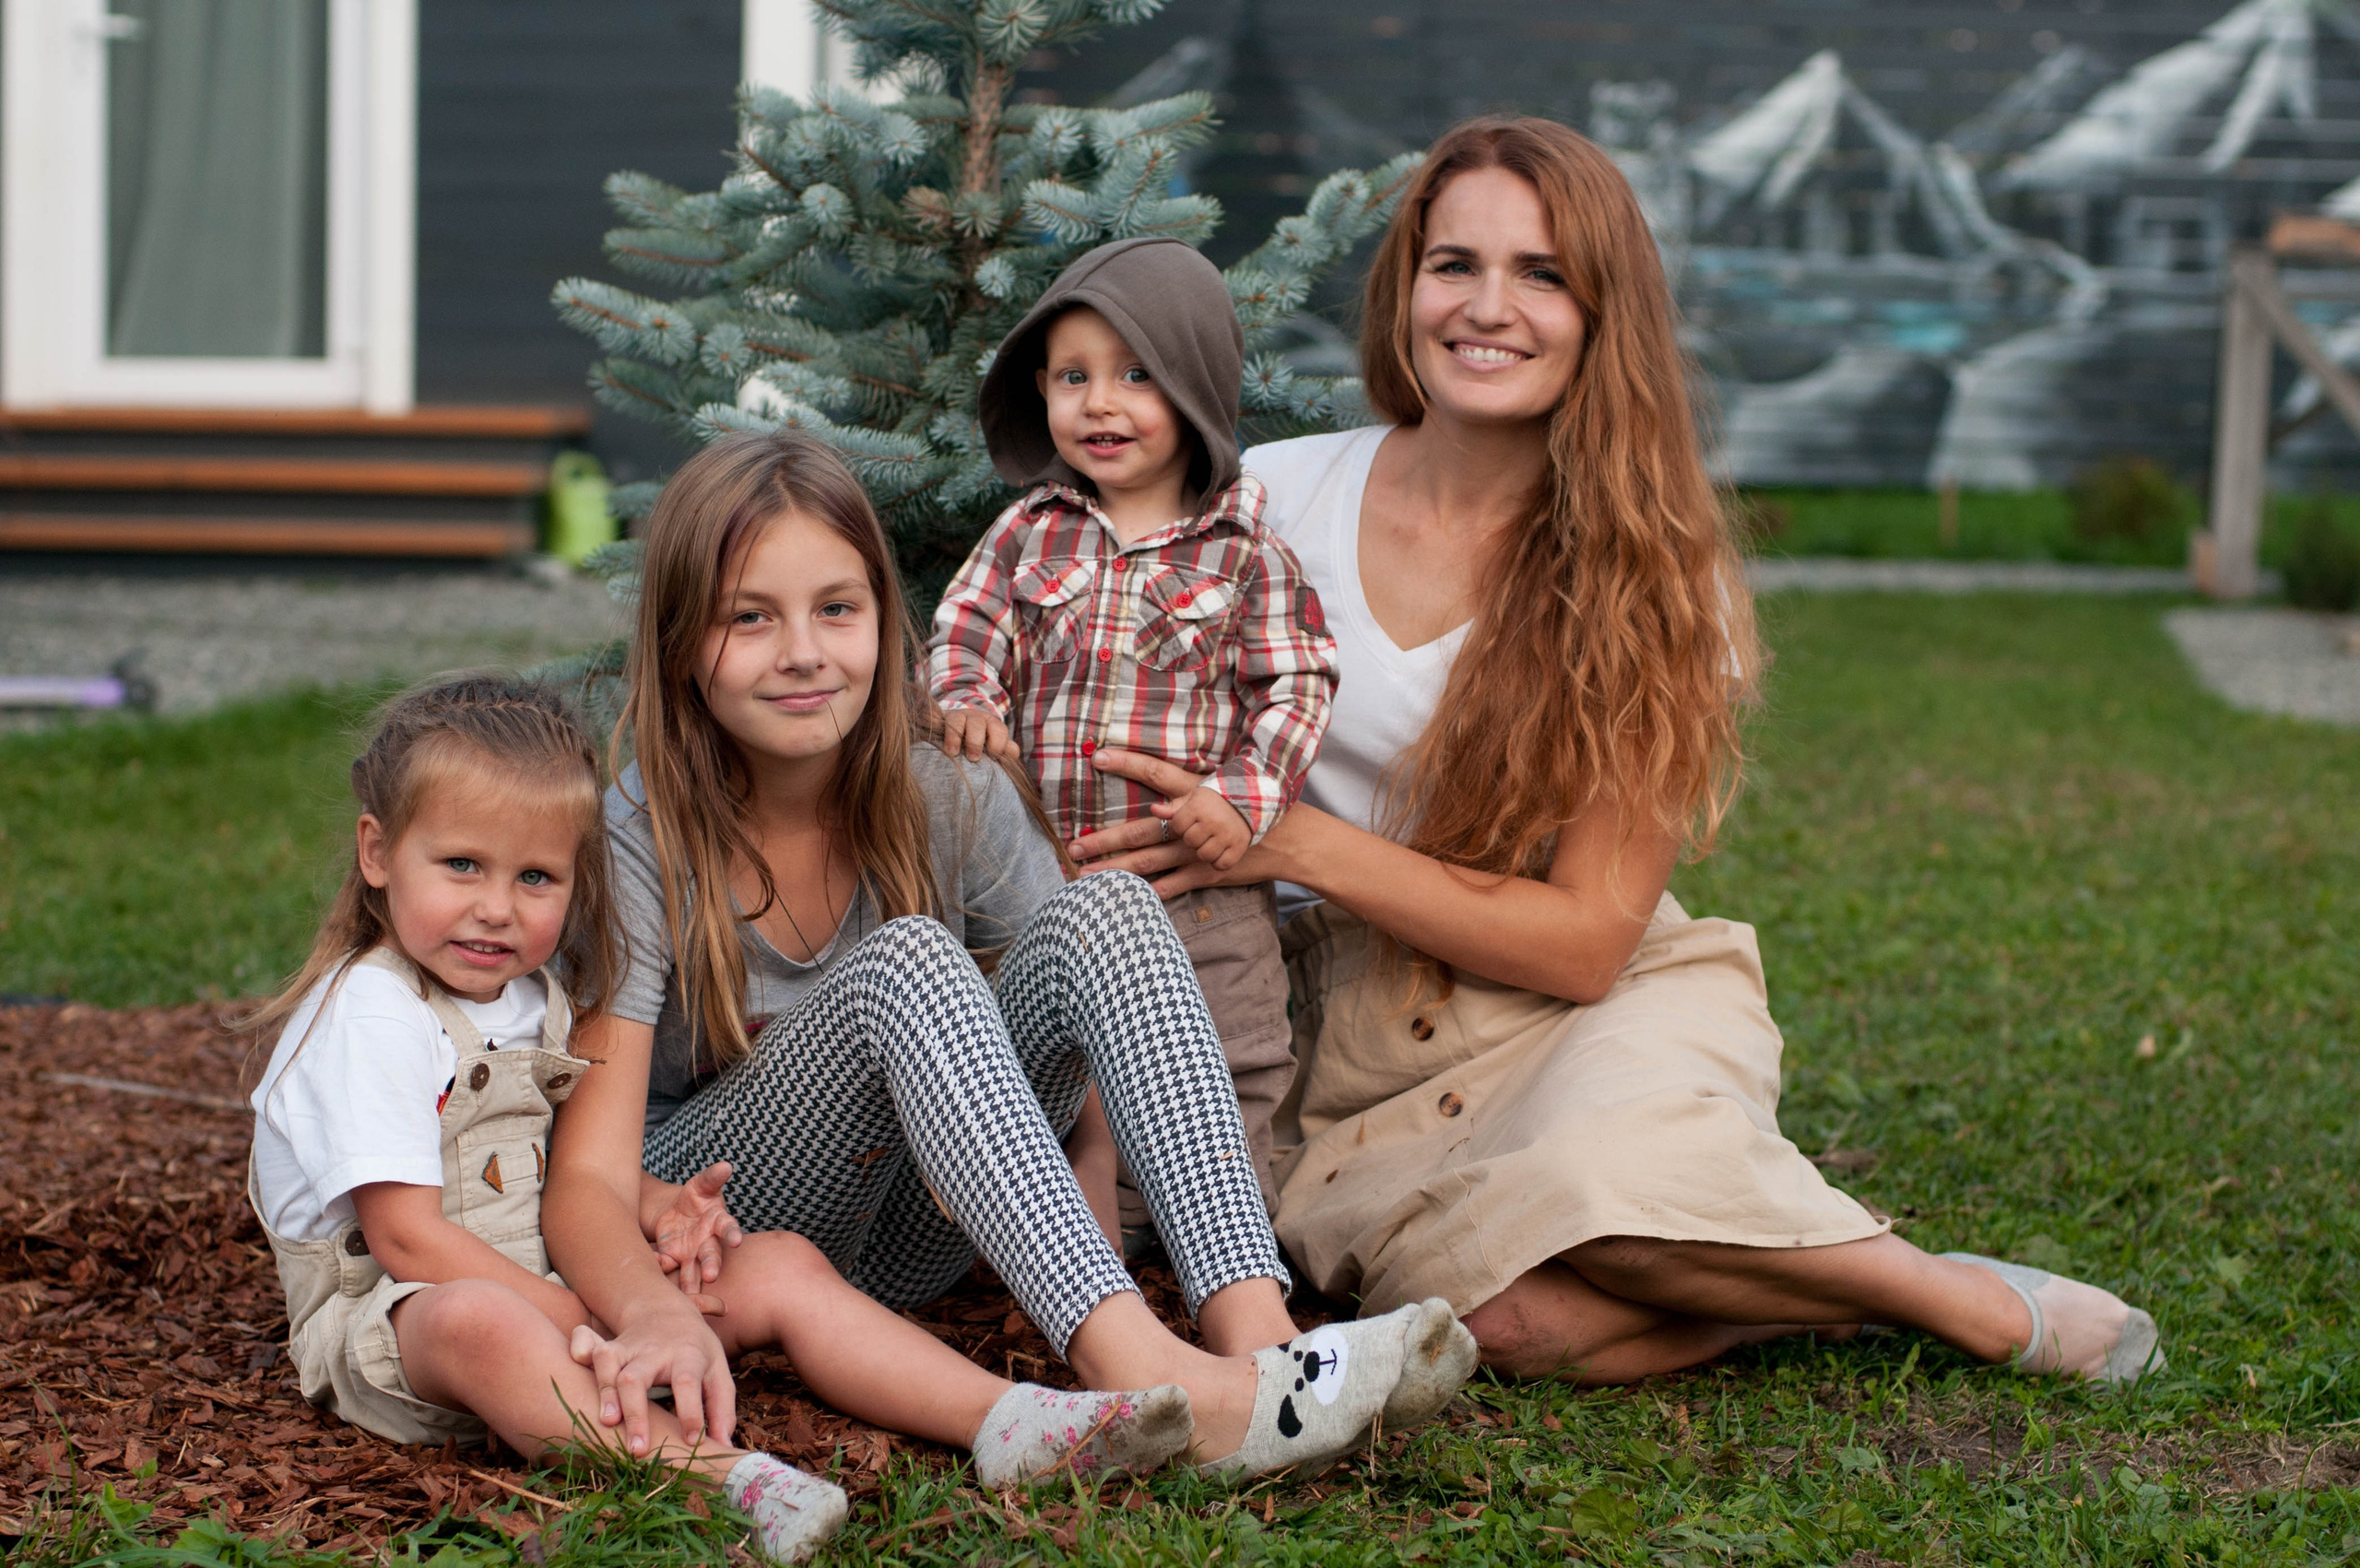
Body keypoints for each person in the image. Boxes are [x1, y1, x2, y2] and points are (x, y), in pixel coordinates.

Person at [1071, 116, 2164, 1386]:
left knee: (1611, 1196)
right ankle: (1808, 1298)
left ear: (1603, 315)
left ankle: (1946, 1298)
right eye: (1453, 265)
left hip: (1558, 1004)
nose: (1487, 308)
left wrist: (1297, 842)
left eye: (1541, 274)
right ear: (1405, 288)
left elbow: (1586, 944)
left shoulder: (1655, 574)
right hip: (1338, 1032)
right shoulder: (1271, 499)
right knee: (1508, 1326)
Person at [539, 429, 1478, 1488]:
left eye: (836, 609)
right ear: (678, 644)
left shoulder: (947, 789)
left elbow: (1079, 1030)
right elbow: (587, 1177)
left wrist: (1081, 1238)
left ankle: (1260, 1339)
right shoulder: (640, 836)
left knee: (1108, 906)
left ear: (885, 621)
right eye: (748, 618)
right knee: (910, 960)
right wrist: (653, 1309)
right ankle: (1144, 1377)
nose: (802, 652)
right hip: (727, 1223)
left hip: (916, 1238)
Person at [243, 677, 858, 1562]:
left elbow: (544, 1160)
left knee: (778, 1264)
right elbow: (407, 1240)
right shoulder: (373, 1010)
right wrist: (589, 1316)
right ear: (378, 851)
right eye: (463, 864)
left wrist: (656, 1206)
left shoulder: (532, 998)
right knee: (481, 1321)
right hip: (395, 1327)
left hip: (538, 1285)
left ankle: (1003, 1416)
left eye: (535, 876)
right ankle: (735, 1481)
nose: (497, 907)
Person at [929, 238, 1338, 1239]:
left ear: (1195, 389)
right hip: (1048, 883)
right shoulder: (1028, 532)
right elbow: (966, 628)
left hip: (1197, 893)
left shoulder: (1245, 553)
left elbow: (1296, 684)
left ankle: (1228, 1237)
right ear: (1041, 389)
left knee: (1228, 1058)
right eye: (1073, 378)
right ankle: (1083, 1240)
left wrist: (1239, 799)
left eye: (1135, 376)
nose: (1099, 404)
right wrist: (968, 697)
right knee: (1059, 1068)